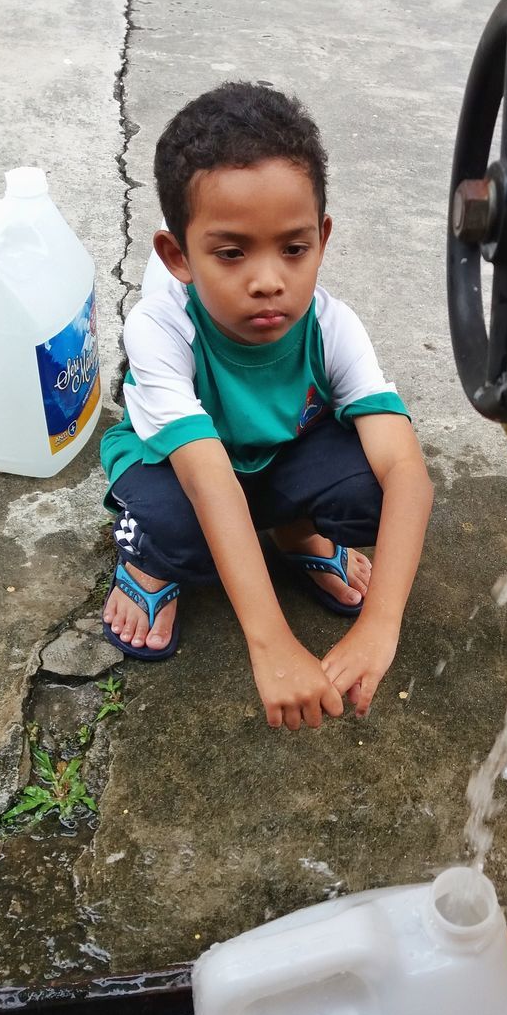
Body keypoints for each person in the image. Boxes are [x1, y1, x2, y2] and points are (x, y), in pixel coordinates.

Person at [99, 82, 434, 730]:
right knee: (183, 532)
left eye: (293, 248)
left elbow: (407, 474)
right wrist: (272, 642)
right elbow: (208, 478)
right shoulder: (160, 328)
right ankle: (144, 555)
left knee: (373, 486)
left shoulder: (331, 325)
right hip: (179, 468)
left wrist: (380, 624)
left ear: (322, 238)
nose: (268, 279)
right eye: (231, 252)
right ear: (178, 257)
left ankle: (292, 530)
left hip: (269, 457)